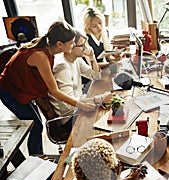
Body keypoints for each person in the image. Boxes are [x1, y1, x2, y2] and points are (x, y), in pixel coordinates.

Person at [0, 21, 97, 155]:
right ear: (59, 44)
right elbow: (54, 91)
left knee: (37, 123)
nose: (73, 45)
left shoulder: (47, 50)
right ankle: (36, 158)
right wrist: (82, 105)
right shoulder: (41, 57)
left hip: (20, 87)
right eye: (71, 43)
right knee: (36, 125)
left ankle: (38, 156)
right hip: (8, 91)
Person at [50, 30, 114, 131]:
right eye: (82, 45)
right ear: (71, 47)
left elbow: (96, 76)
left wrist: (92, 58)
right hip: (69, 117)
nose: (86, 48)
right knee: (107, 117)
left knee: (111, 111)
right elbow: (69, 104)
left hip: (79, 107)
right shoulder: (63, 68)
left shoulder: (77, 60)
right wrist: (100, 99)